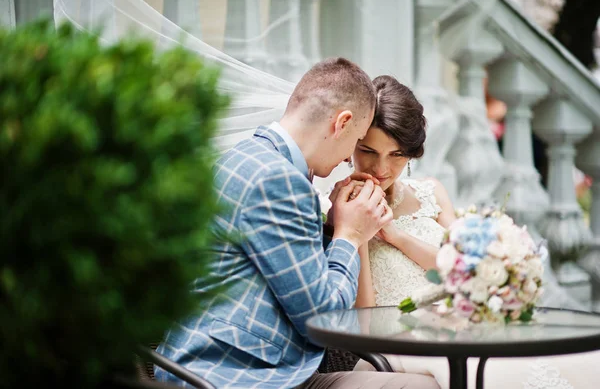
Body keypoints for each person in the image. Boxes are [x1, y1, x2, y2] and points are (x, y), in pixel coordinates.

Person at [154, 58, 441, 389]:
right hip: (235, 375)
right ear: (342, 123)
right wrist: (349, 236)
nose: (350, 159)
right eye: (358, 142)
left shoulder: (250, 158)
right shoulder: (279, 180)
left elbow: (291, 272)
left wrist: (334, 227)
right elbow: (321, 319)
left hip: (249, 367)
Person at [330, 75, 599, 389]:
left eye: (397, 155)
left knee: (582, 360)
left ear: (412, 153)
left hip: (463, 325)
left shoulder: (432, 192)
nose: (381, 169)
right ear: (351, 144)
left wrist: (396, 237)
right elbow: (366, 320)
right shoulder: (342, 210)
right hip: (401, 343)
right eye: (369, 151)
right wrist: (360, 231)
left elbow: (466, 269)